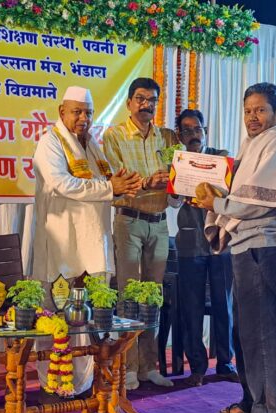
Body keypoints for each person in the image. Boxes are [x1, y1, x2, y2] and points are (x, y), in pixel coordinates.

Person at [198, 82, 276, 413]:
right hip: (245, 245)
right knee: (244, 329)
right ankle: (251, 401)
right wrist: (213, 193)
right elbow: (243, 192)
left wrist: (216, 204)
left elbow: (259, 202)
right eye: (248, 111)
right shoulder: (255, 142)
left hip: (262, 247)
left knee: (261, 331)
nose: (252, 117)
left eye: (260, 110)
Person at [32, 86, 141, 400]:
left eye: (88, 113)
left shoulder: (92, 145)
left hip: (93, 244)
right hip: (63, 245)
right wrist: (109, 187)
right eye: (77, 111)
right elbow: (61, 183)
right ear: (61, 112)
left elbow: (103, 185)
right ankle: (53, 381)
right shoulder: (50, 142)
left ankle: (83, 382)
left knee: (88, 316)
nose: (83, 118)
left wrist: (122, 185)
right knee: (58, 314)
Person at [103, 77, 179, 390]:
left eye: (152, 100)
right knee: (129, 296)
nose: (146, 105)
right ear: (129, 103)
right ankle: (128, 367)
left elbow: (179, 176)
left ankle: (149, 366)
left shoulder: (168, 137)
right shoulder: (114, 135)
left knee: (152, 297)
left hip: (159, 222)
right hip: (129, 221)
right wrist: (147, 183)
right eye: (140, 99)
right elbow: (115, 182)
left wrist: (179, 185)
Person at [174, 109, 238, 387]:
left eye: (197, 129)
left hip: (220, 242)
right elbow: (173, 201)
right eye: (187, 130)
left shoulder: (220, 158)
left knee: (224, 304)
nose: (193, 135)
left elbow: (228, 190)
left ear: (205, 131)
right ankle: (197, 367)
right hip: (190, 245)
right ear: (179, 135)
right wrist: (180, 184)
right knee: (192, 307)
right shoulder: (178, 164)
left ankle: (225, 363)